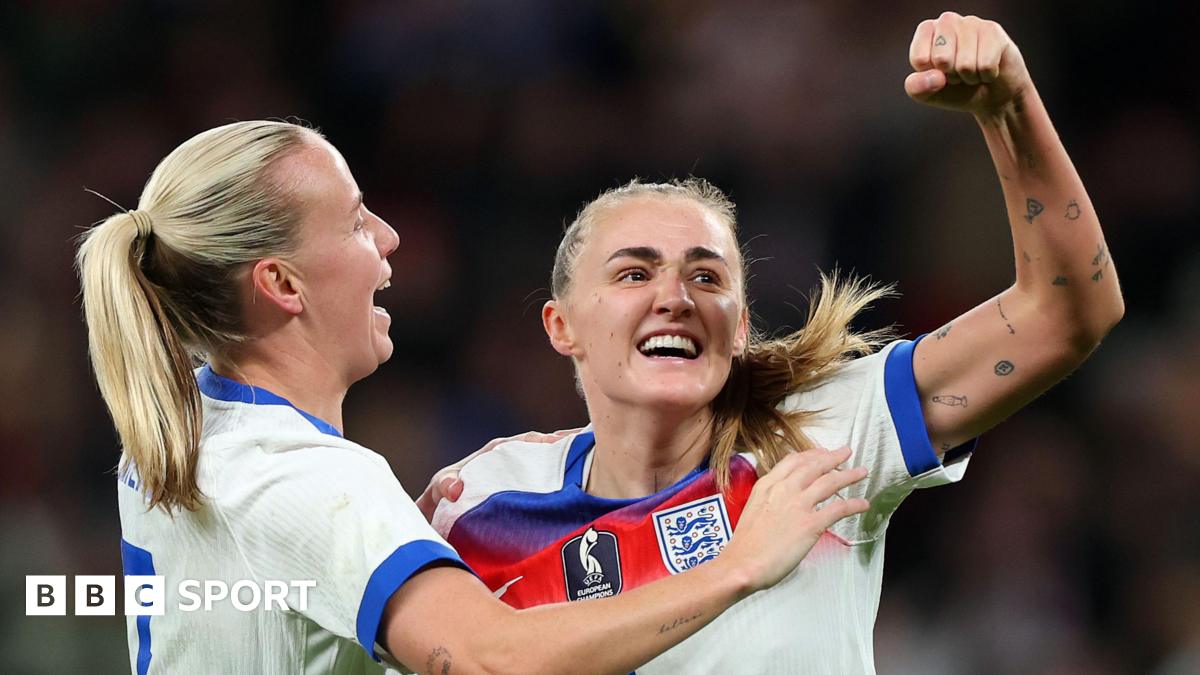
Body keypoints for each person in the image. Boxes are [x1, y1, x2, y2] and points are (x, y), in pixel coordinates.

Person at [428, 12, 1125, 674]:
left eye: (706, 275)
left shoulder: (822, 437)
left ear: (738, 328)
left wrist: (1010, 109)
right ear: (562, 326)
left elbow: (1065, 313)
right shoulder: (486, 501)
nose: (675, 297)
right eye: (634, 273)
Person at [76, 120, 872, 675]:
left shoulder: (179, 426)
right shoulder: (318, 486)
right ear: (283, 284)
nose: (388, 237)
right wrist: (738, 565)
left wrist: (382, 546)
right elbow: (490, 659)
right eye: (355, 224)